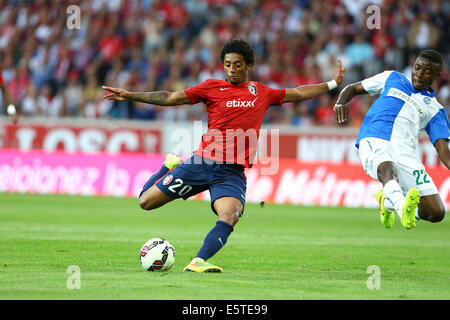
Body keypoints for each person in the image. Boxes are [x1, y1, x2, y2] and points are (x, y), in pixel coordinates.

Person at [103, 38, 346, 272]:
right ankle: (168, 166)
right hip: (202, 163)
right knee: (145, 202)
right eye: (227, 64)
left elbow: (299, 93)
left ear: (248, 65)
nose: (231, 70)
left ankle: (198, 261)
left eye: (237, 64)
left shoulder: (260, 92)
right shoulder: (211, 87)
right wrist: (132, 95)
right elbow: (172, 97)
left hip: (231, 172)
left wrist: (333, 84)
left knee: (230, 215)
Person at [334, 49, 449, 230]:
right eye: (417, 68)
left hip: (405, 152)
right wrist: (340, 102)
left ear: (438, 75)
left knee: (436, 212)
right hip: (374, 137)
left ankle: (388, 203)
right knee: (386, 167)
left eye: (427, 71)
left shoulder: (436, 110)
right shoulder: (393, 78)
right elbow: (352, 88)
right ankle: (402, 208)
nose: (419, 74)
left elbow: (444, 152)